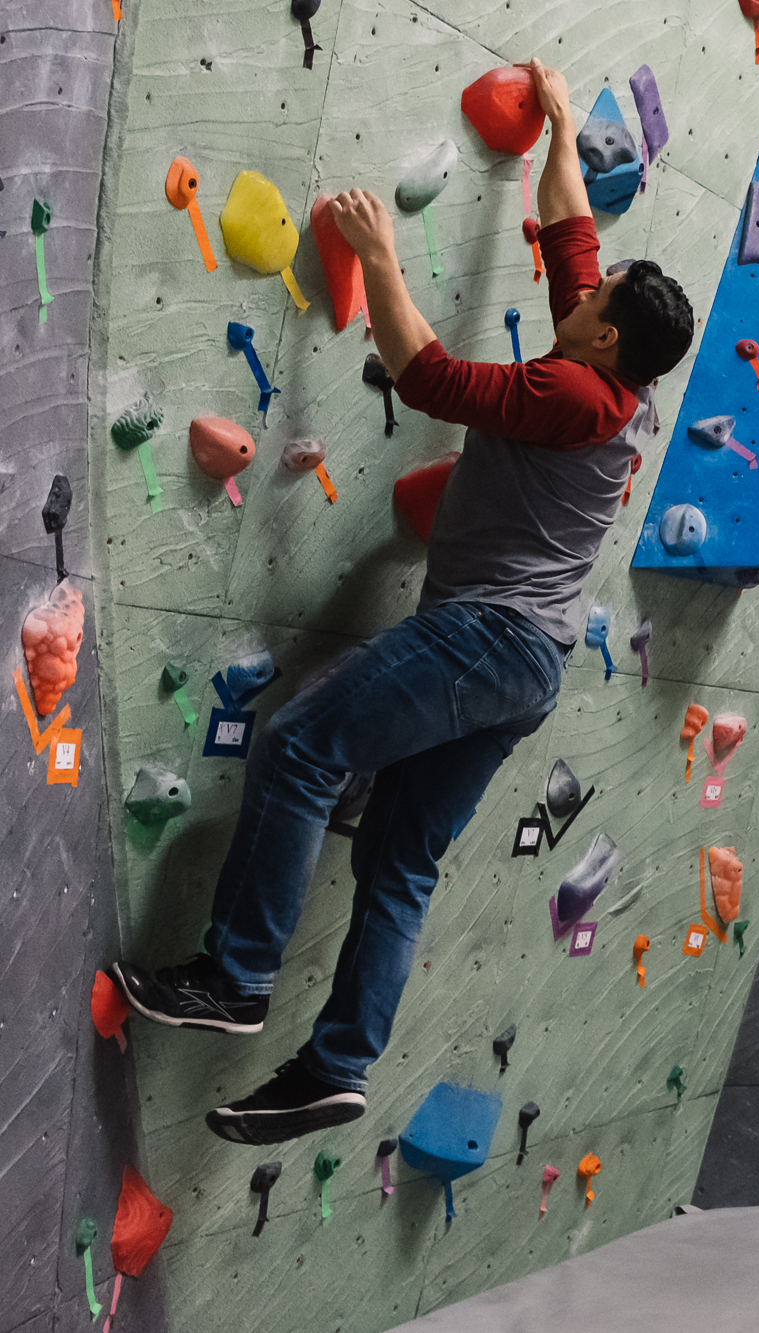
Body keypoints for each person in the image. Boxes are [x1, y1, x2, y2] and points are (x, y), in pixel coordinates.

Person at [111, 58, 693, 1147]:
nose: (583, 290)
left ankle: (234, 979)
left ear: (604, 337)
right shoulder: (619, 379)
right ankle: (334, 1065)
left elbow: (425, 377)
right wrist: (562, 123)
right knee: (399, 857)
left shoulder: (567, 387)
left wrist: (380, 256)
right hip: (527, 664)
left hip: (486, 637)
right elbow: (572, 234)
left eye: (596, 302)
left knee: (297, 747)